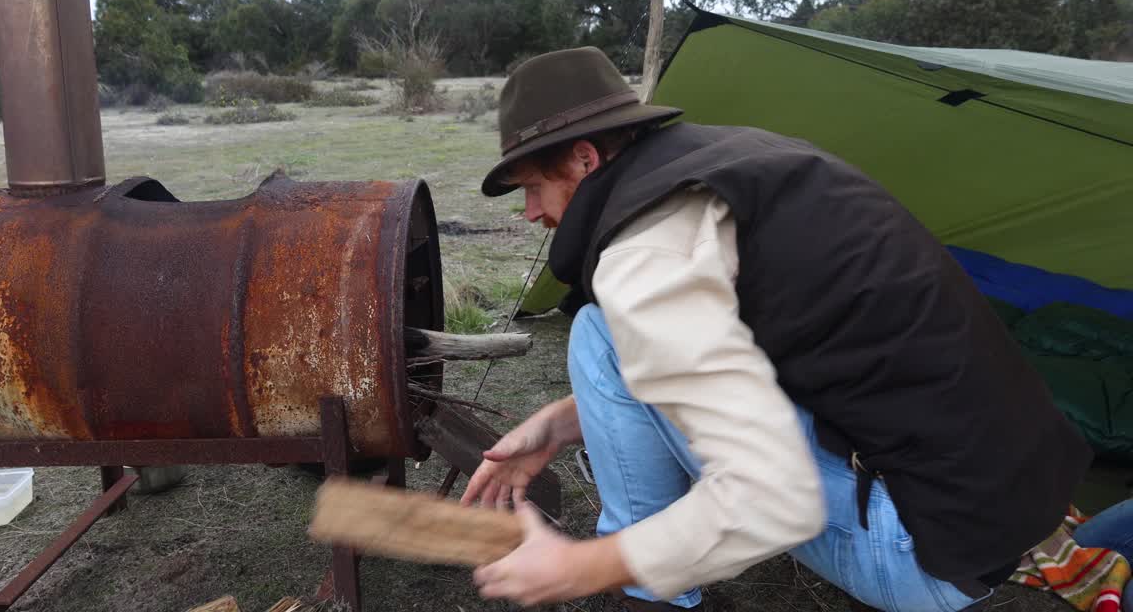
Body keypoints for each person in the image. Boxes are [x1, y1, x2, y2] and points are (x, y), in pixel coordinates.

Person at [460, 46, 1091, 612]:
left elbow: (773, 499)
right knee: (617, 336)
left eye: (535, 186)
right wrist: (561, 423)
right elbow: (733, 349)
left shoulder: (645, 253)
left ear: (586, 157)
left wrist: (580, 568)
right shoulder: (739, 159)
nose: (532, 212)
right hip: (1008, 507)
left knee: (598, 332)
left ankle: (648, 590)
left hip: (923, 552)